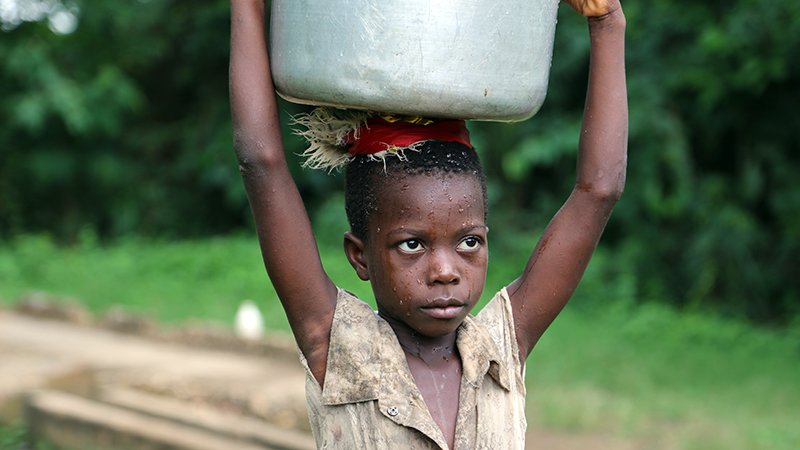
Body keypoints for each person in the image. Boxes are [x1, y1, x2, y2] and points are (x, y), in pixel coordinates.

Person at [229, 0, 627, 448]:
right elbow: (261, 164)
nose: (445, 270)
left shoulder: (500, 348)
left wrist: (607, 22)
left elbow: (599, 191)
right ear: (359, 256)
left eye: (469, 241)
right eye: (413, 245)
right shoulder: (339, 348)